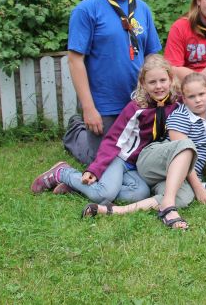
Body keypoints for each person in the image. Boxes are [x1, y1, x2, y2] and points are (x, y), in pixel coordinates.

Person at [32, 55, 197, 229]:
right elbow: (113, 140)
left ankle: (82, 187)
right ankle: (63, 173)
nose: (158, 86)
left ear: (171, 79)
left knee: (140, 194)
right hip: (120, 158)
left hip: (137, 164)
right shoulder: (136, 108)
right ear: (143, 83)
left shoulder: (176, 103)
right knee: (104, 194)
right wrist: (95, 169)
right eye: (152, 82)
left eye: (163, 80)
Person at [64, 0, 162, 166]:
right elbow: (75, 61)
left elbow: (152, 56)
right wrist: (89, 108)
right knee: (102, 161)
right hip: (104, 105)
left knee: (134, 158)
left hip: (137, 102)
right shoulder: (86, 9)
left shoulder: (143, 9)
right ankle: (76, 133)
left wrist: (156, 95)